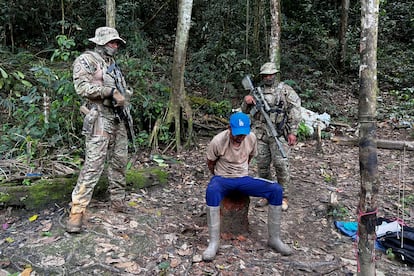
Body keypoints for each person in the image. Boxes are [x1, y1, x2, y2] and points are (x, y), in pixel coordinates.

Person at [66, 27, 134, 233]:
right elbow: (82, 88)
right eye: (112, 42)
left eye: (117, 43)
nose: (115, 46)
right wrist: (109, 91)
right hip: (99, 118)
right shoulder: (87, 60)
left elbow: (121, 90)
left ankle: (118, 201)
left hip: (118, 118)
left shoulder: (112, 64)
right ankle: (77, 211)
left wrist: (124, 95)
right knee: (93, 165)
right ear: (101, 42)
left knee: (119, 161)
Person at [202, 112, 292, 261]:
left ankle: (274, 239)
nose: (240, 138)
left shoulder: (251, 138)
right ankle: (214, 242)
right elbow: (210, 162)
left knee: (276, 189)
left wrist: (241, 172)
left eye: (243, 134)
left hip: (243, 178)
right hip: (223, 178)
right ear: (229, 129)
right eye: (237, 134)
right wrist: (220, 175)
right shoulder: (218, 140)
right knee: (211, 190)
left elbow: (250, 157)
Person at [241, 62, 301, 211]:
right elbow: (244, 111)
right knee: (262, 166)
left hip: (278, 134)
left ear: (275, 75)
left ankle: (283, 195)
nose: (268, 77)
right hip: (260, 134)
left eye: (271, 74)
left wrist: (293, 131)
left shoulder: (285, 90)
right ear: (262, 76)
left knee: (281, 165)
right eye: (266, 75)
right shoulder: (257, 91)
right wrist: (246, 101)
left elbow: (296, 109)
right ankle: (266, 194)